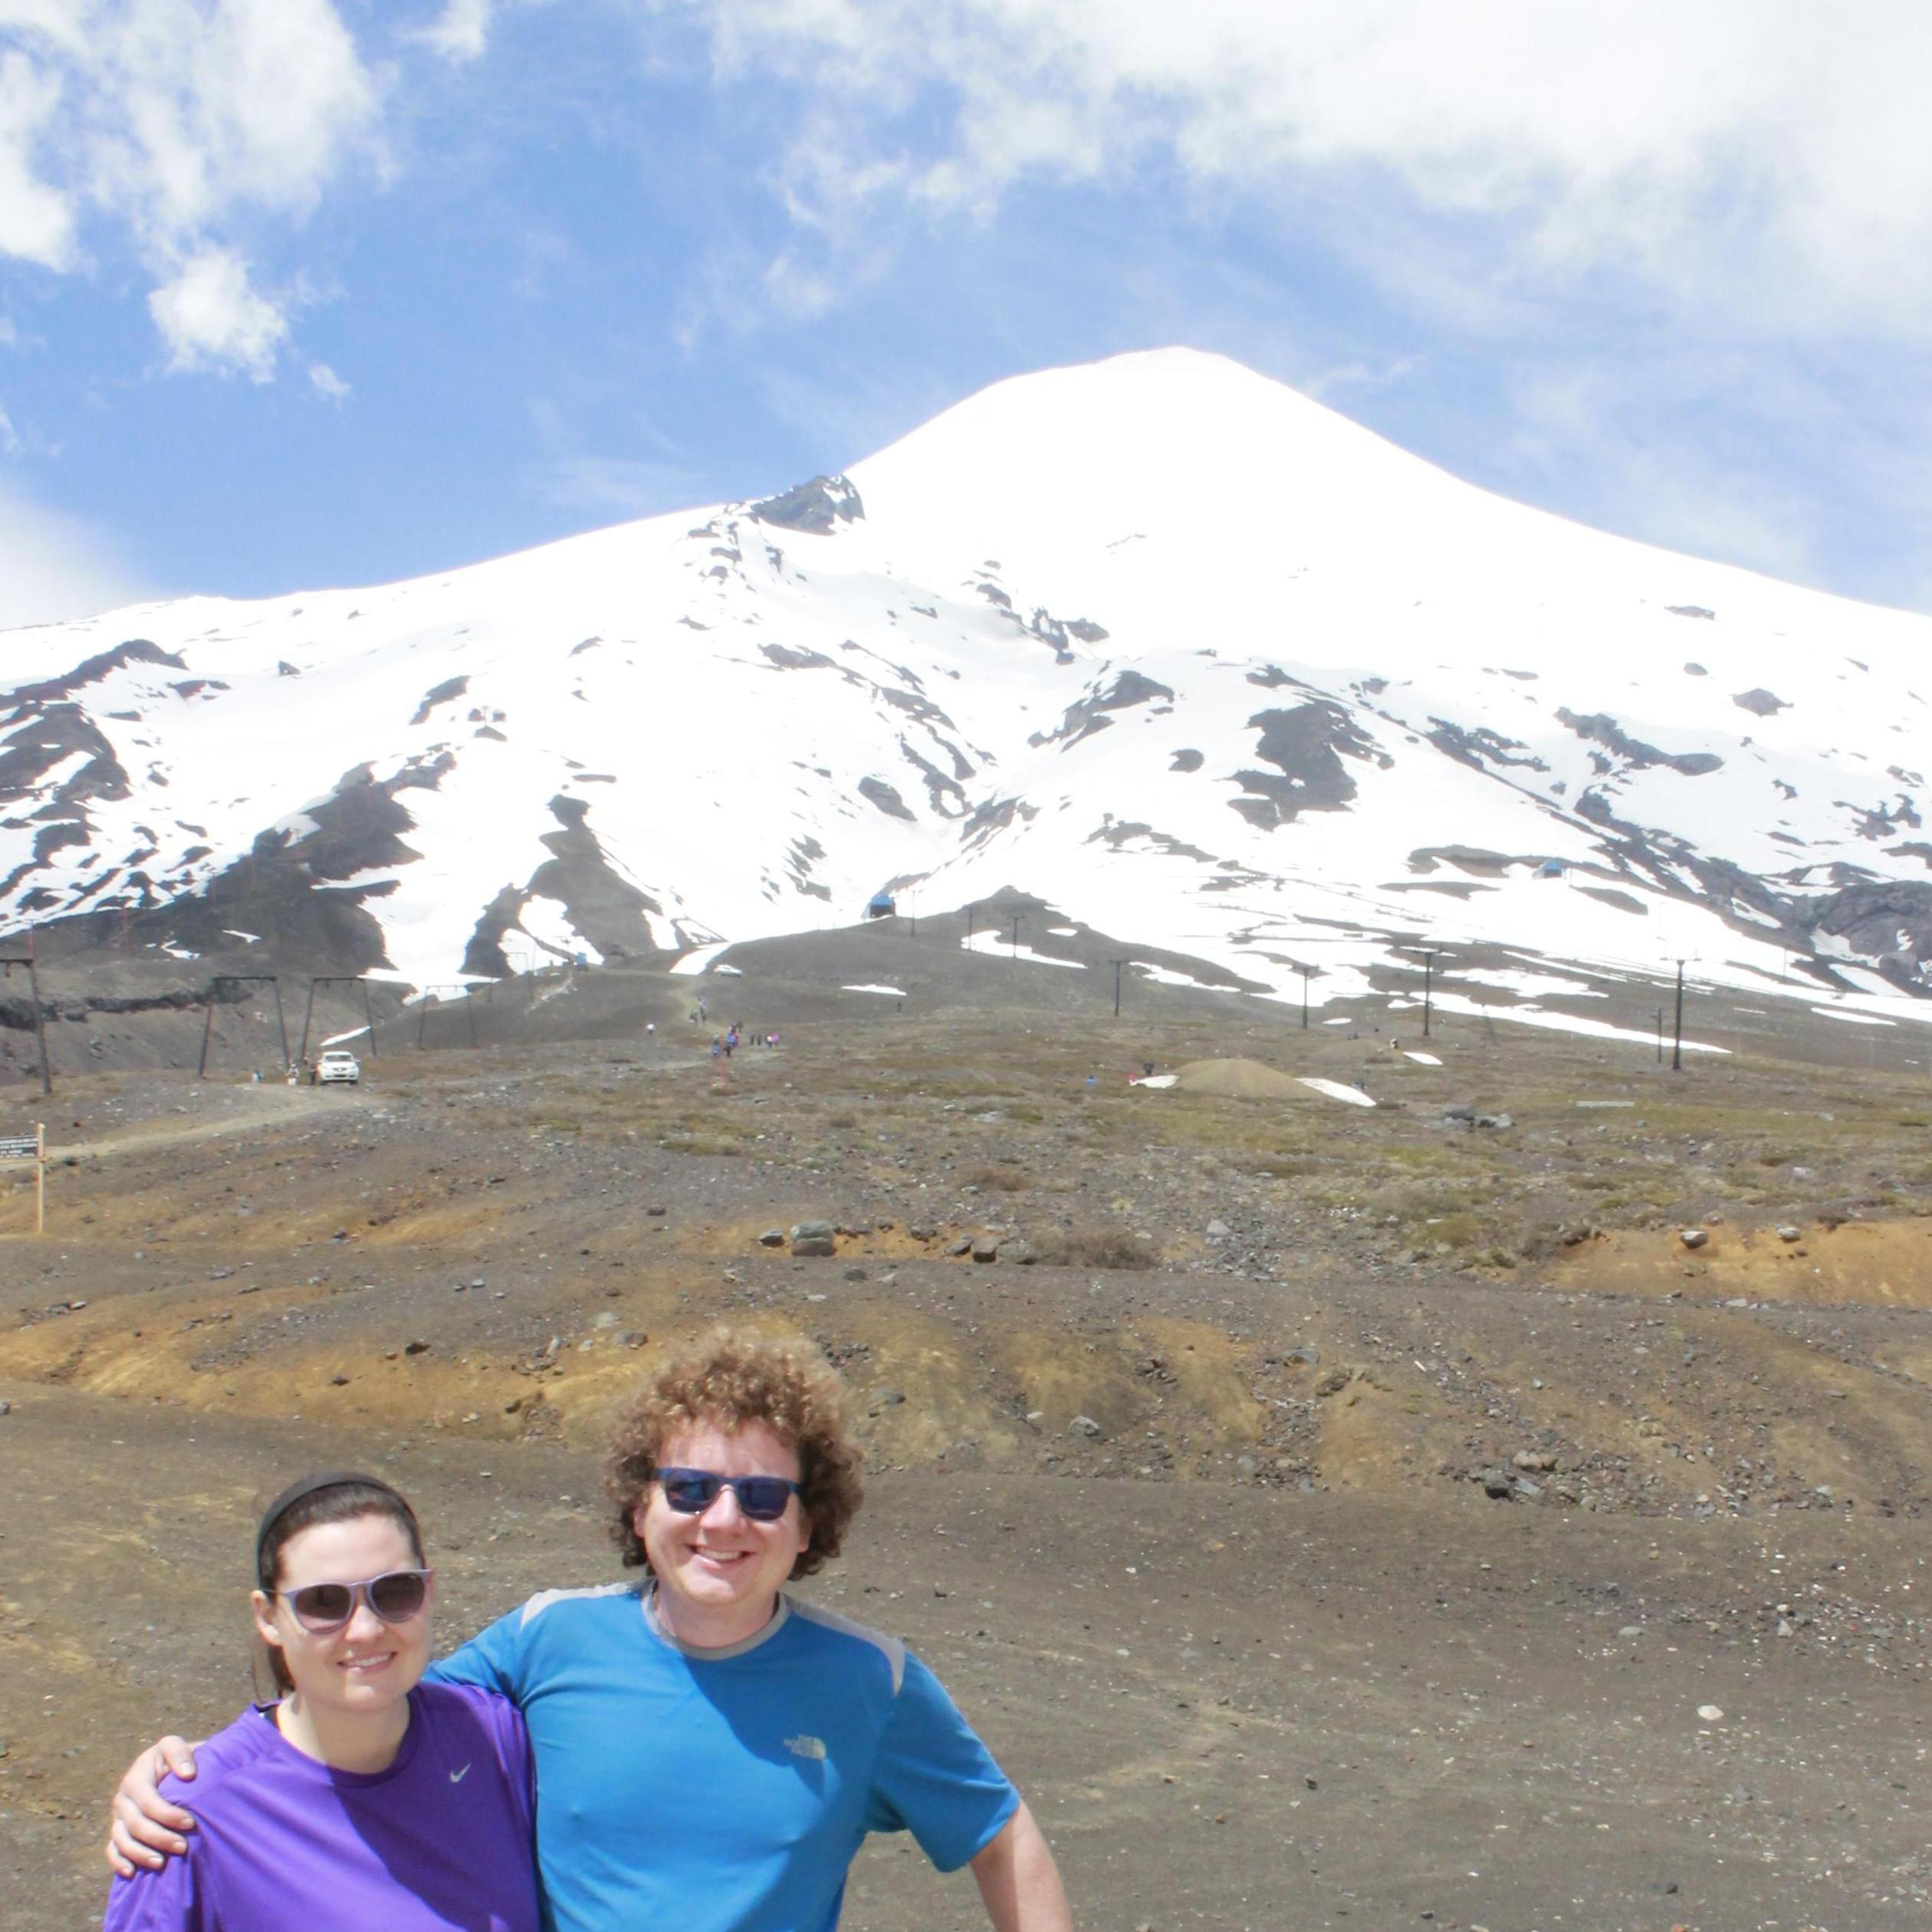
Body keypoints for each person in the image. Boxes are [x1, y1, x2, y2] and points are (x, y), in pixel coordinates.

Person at [108, 1333, 1072, 1932]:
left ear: (812, 1521)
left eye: (764, 1495)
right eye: (689, 1488)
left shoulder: (874, 1683)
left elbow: (1000, 1832)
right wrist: (189, 1770)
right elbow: (367, 1687)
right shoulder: (547, 1641)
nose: (722, 1522)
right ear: (640, 1506)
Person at [104, 1472, 539, 1932]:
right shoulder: (189, 1821)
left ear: (429, 1593)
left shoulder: (495, 1740)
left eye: (395, 1591)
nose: (366, 1630)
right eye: (325, 1603)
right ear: (268, 1618)